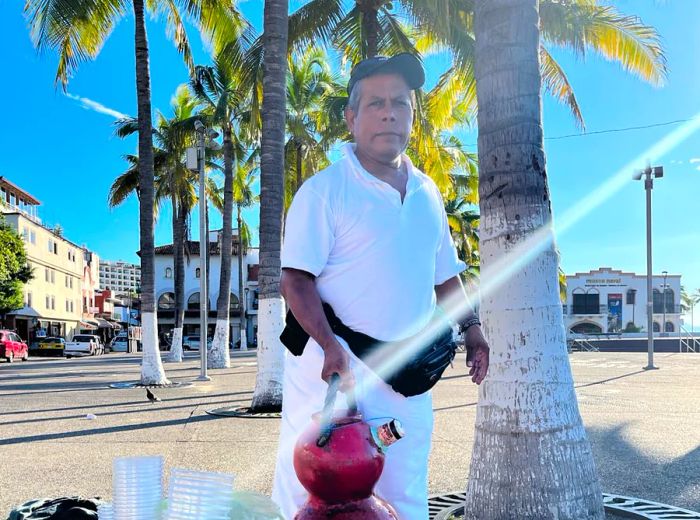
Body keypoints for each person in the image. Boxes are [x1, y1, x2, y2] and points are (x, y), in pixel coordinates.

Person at [271, 53, 490, 519]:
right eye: (375, 103)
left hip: (403, 382)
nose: (389, 112)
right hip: (331, 375)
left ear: (412, 115)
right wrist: (330, 347)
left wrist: (472, 328)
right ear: (351, 118)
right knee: (309, 492)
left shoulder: (428, 194)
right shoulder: (324, 191)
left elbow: (445, 276)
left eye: (400, 103)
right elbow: (295, 279)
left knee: (405, 488)